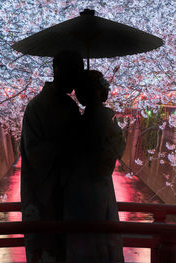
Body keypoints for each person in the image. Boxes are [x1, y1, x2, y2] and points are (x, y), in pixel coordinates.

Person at [20, 50, 84, 262]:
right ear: (57, 70)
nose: (76, 79)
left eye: (79, 73)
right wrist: (66, 146)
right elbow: (36, 154)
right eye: (73, 71)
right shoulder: (36, 108)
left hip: (66, 196)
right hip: (42, 197)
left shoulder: (70, 107)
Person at [64, 70, 125, 262]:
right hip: (100, 189)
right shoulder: (104, 120)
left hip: (79, 191)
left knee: (84, 244)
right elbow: (114, 153)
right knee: (104, 243)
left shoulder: (80, 121)